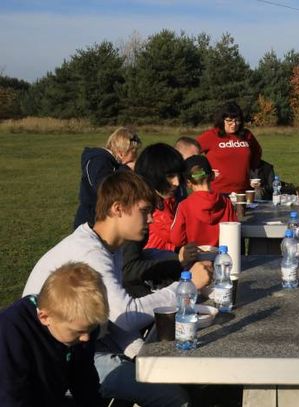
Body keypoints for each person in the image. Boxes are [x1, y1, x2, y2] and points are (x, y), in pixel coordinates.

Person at [24, 170, 207, 406]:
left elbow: (113, 319)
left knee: (165, 380)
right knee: (171, 397)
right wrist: (187, 285)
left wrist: (146, 355)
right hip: (60, 360)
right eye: (144, 211)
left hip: (85, 345)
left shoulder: (109, 246)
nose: (151, 219)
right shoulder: (90, 253)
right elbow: (124, 316)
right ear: (117, 209)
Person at [1, 262, 108, 406]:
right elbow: (11, 396)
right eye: (79, 332)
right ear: (45, 318)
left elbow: (83, 379)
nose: (86, 337)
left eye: (91, 329)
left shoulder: (82, 326)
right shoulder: (12, 331)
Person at [73, 127, 142, 229]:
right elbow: (104, 188)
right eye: (133, 155)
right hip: (91, 223)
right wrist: (126, 169)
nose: (134, 159)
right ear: (121, 153)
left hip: (102, 220)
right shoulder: (98, 161)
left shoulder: (110, 163)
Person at [170, 155, 237, 248]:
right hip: (222, 257)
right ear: (213, 176)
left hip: (195, 258)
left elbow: (176, 239)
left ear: (188, 183)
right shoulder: (226, 202)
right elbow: (235, 232)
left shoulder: (184, 206)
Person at [198, 101, 262, 194]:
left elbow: (257, 152)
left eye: (237, 120)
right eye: (229, 121)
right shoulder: (211, 135)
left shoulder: (247, 135)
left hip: (244, 192)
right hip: (217, 192)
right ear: (222, 120)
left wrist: (252, 170)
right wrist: (204, 172)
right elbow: (190, 154)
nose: (234, 124)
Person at [135, 143, 183, 252]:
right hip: (154, 265)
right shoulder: (151, 208)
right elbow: (179, 237)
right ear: (153, 175)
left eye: (179, 175)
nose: (177, 182)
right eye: (170, 176)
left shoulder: (167, 199)